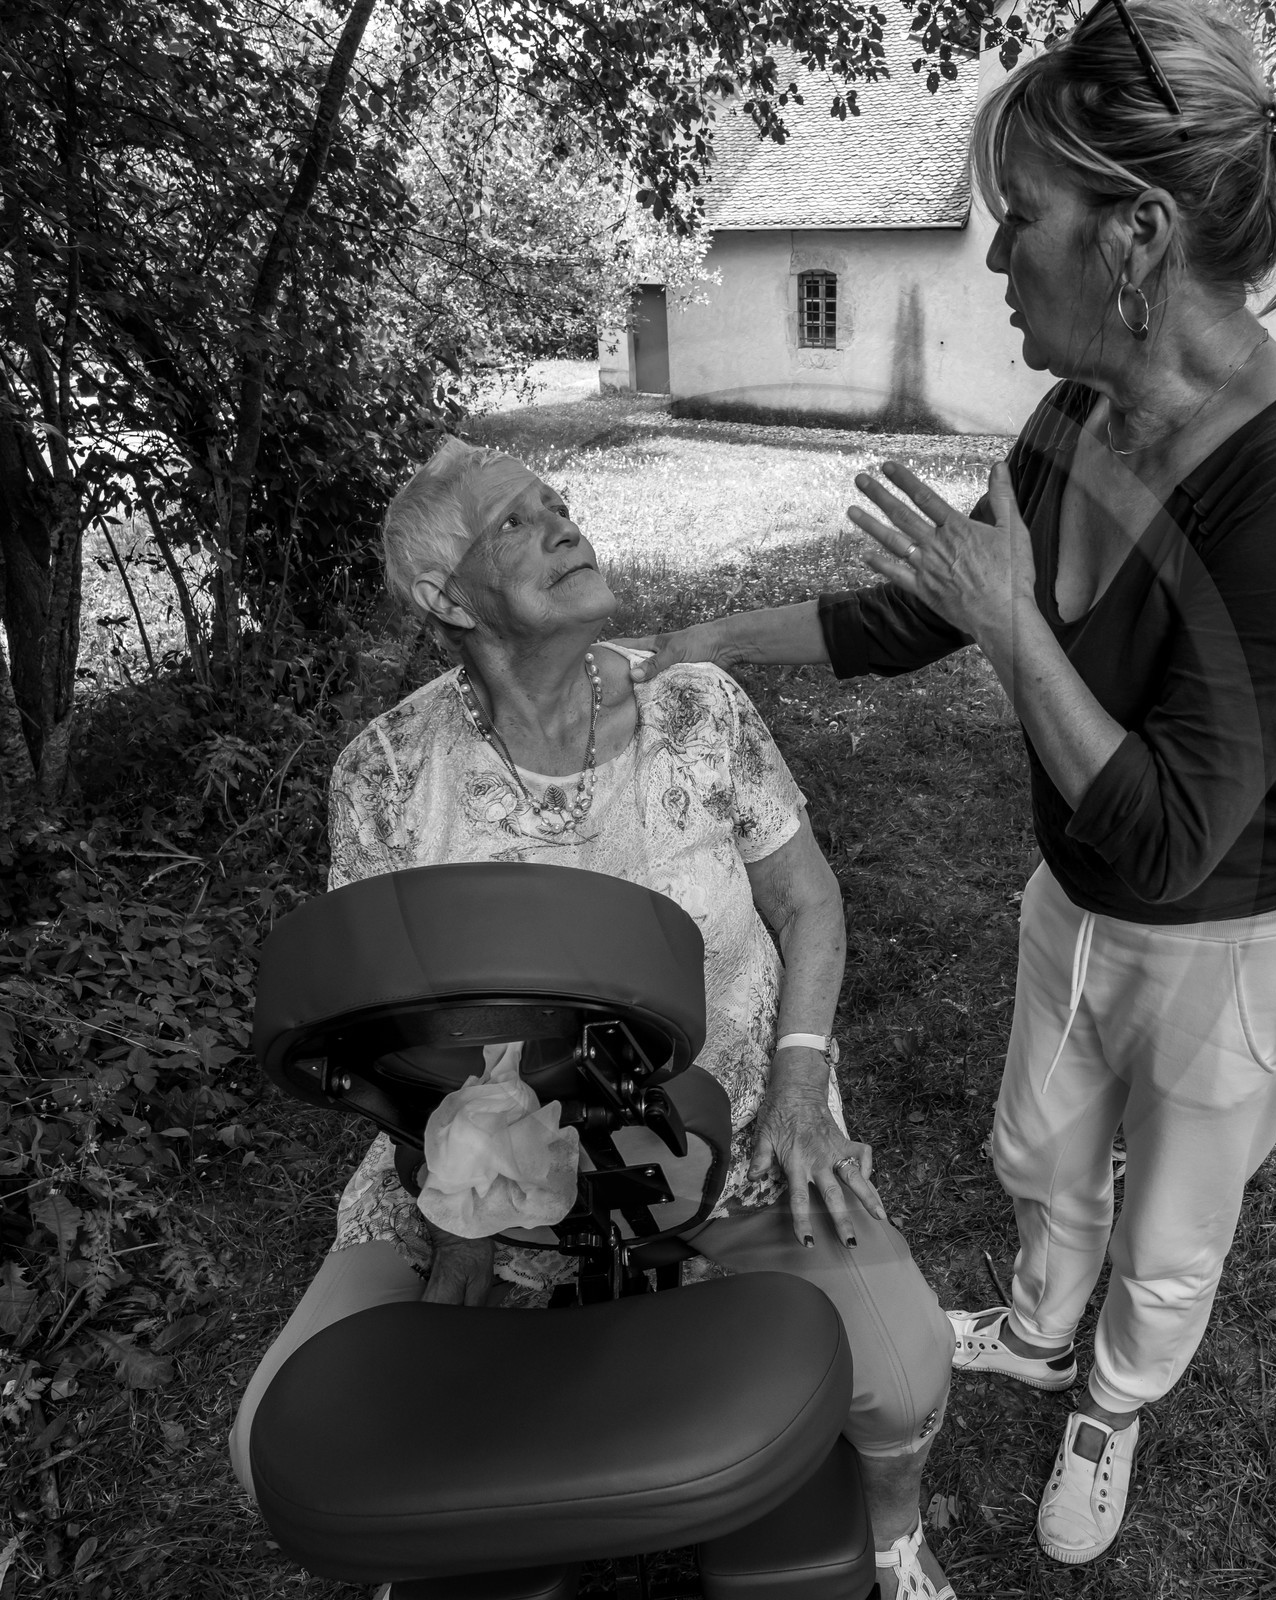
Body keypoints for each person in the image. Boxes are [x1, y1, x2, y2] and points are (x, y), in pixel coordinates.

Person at [627, 0, 1276, 1567]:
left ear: (1138, 237)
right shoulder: (1079, 414)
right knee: (1044, 1146)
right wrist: (701, 631)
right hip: (1081, 894)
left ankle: (1112, 1396)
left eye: (1019, 224)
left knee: (1173, 1224)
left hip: (1229, 936)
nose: (994, 263)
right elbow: (924, 610)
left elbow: (1173, 835)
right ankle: (1044, 1327)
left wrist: (1013, 626)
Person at [229, 438, 959, 1600]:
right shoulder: (383, 772)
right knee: (271, 1437)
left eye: (559, 504)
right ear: (441, 596)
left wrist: (802, 1087)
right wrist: (466, 1226)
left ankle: (891, 1540)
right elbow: (388, 1035)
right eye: (516, 523)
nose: (564, 525)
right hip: (477, 1185)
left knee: (907, 1370)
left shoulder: (699, 707)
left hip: (737, 1150)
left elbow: (808, 899)